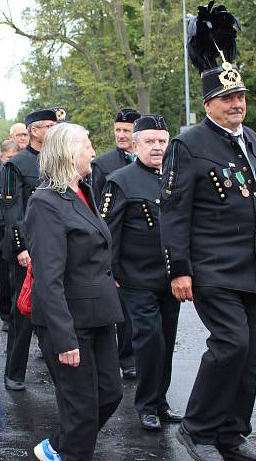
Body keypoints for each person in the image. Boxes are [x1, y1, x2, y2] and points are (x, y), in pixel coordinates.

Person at [161, 2, 256, 461]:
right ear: (209, 103)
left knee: (251, 357)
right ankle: (198, 427)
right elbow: (174, 212)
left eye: (241, 97)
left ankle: (231, 432)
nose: (237, 104)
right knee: (231, 345)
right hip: (213, 271)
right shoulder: (188, 145)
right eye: (227, 99)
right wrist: (179, 270)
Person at [27, 122, 123, 461]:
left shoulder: (83, 191)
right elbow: (48, 279)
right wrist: (65, 339)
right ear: (69, 152)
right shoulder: (45, 203)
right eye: (87, 145)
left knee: (110, 394)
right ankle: (68, 452)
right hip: (69, 323)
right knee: (82, 409)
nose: (94, 152)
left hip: (97, 315)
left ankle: (57, 447)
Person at [100, 115, 182, 432]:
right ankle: (146, 405)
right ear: (135, 145)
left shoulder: (176, 178)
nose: (157, 147)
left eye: (162, 141)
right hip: (135, 278)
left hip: (171, 278)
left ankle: (160, 401)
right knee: (149, 341)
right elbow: (108, 233)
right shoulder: (121, 181)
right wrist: (110, 274)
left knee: (167, 340)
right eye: (150, 141)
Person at [2, 108, 58, 391]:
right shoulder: (17, 164)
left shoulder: (58, 160)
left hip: (55, 246)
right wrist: (20, 246)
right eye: (48, 126)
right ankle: (14, 371)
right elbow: (12, 209)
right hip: (27, 249)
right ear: (34, 131)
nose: (53, 130)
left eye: (55, 125)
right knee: (22, 313)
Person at [91, 107, 141, 380]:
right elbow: (98, 208)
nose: (122, 135)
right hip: (115, 244)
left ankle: (139, 352)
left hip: (143, 246)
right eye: (118, 130)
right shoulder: (104, 165)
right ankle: (125, 356)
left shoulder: (151, 160)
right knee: (122, 307)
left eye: (127, 130)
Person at [0, 140, 19, 332]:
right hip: (2, 237)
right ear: (1, 157)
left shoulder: (20, 177)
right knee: (5, 278)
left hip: (21, 235)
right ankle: (6, 315)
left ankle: (21, 311)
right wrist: (9, 224)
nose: (11, 162)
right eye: (8, 158)